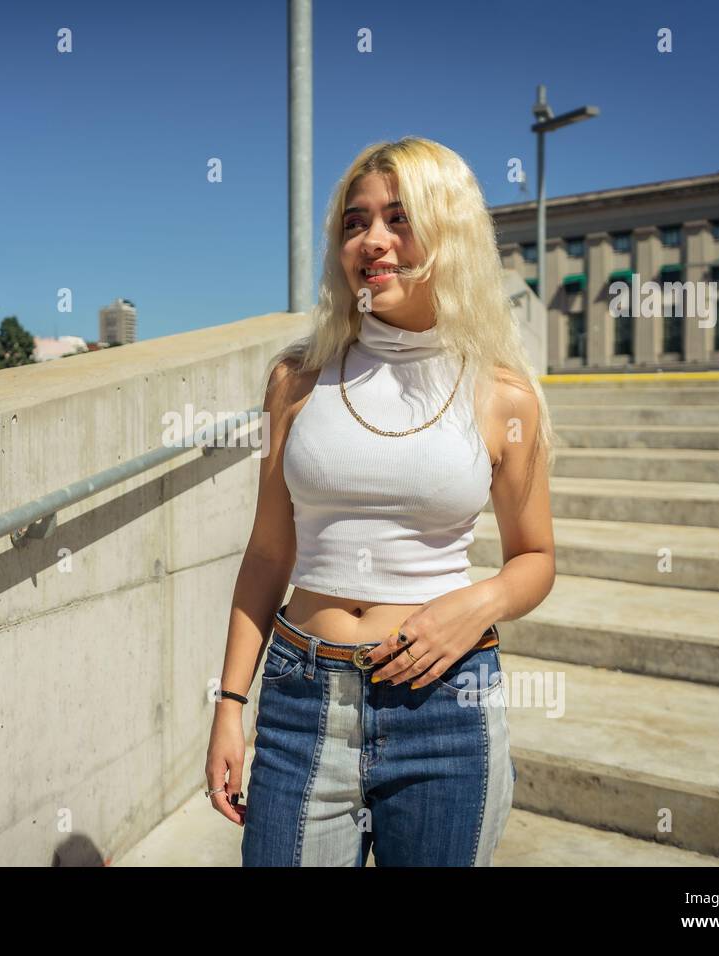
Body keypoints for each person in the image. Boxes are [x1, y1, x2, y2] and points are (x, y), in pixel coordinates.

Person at [204, 136, 557, 866]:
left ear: (450, 231)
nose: (373, 241)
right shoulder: (296, 380)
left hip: (445, 704)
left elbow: (536, 559)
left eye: (399, 218)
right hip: (303, 700)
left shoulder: (504, 396)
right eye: (355, 222)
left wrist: (479, 602)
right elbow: (269, 553)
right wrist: (230, 706)